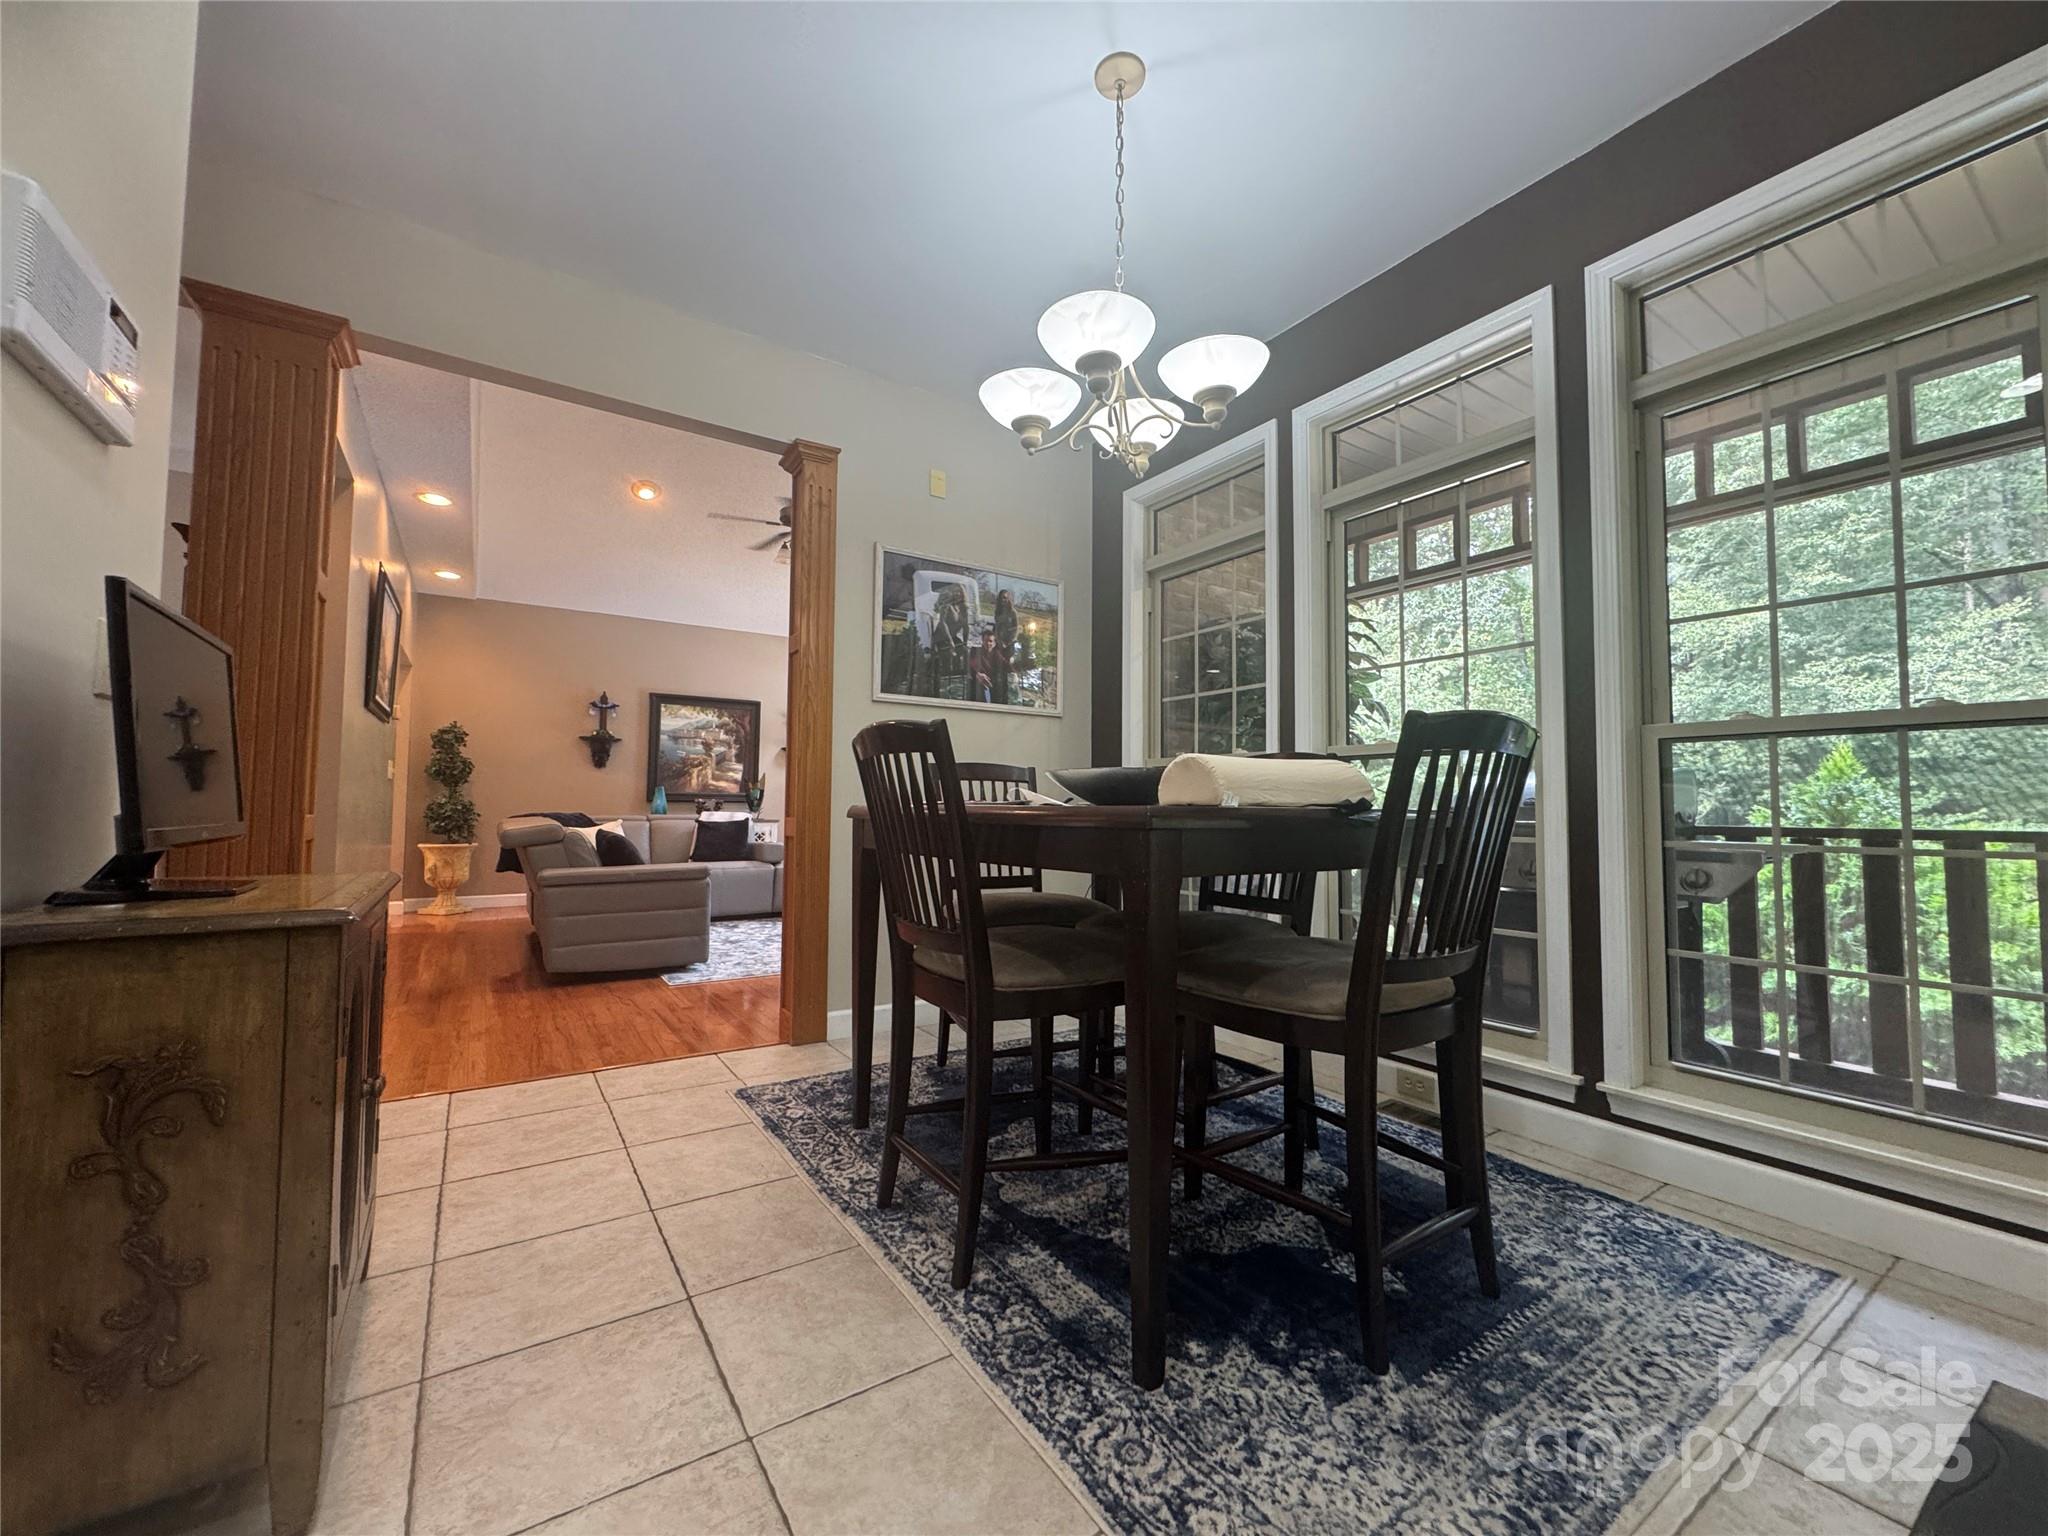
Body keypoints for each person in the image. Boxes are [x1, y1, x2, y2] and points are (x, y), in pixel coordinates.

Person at [992, 590, 1019, 706]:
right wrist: (998, 640)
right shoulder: (998, 612)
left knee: (1008, 670)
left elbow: (1016, 629)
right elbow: (996, 628)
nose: (1004, 600)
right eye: (1002, 598)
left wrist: (1008, 642)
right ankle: (998, 696)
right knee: (998, 670)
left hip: (1009, 645)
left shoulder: (1012, 613)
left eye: (1006, 598)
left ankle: (1008, 698)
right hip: (999, 644)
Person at [967, 624, 998, 702]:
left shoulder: (997, 655)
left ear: (994, 643)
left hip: (993, 686)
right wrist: (978, 674)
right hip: (978, 686)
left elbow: (1007, 666)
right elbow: (972, 665)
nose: (988, 643)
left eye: (990, 641)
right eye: (986, 640)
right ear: (982, 641)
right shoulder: (976, 651)